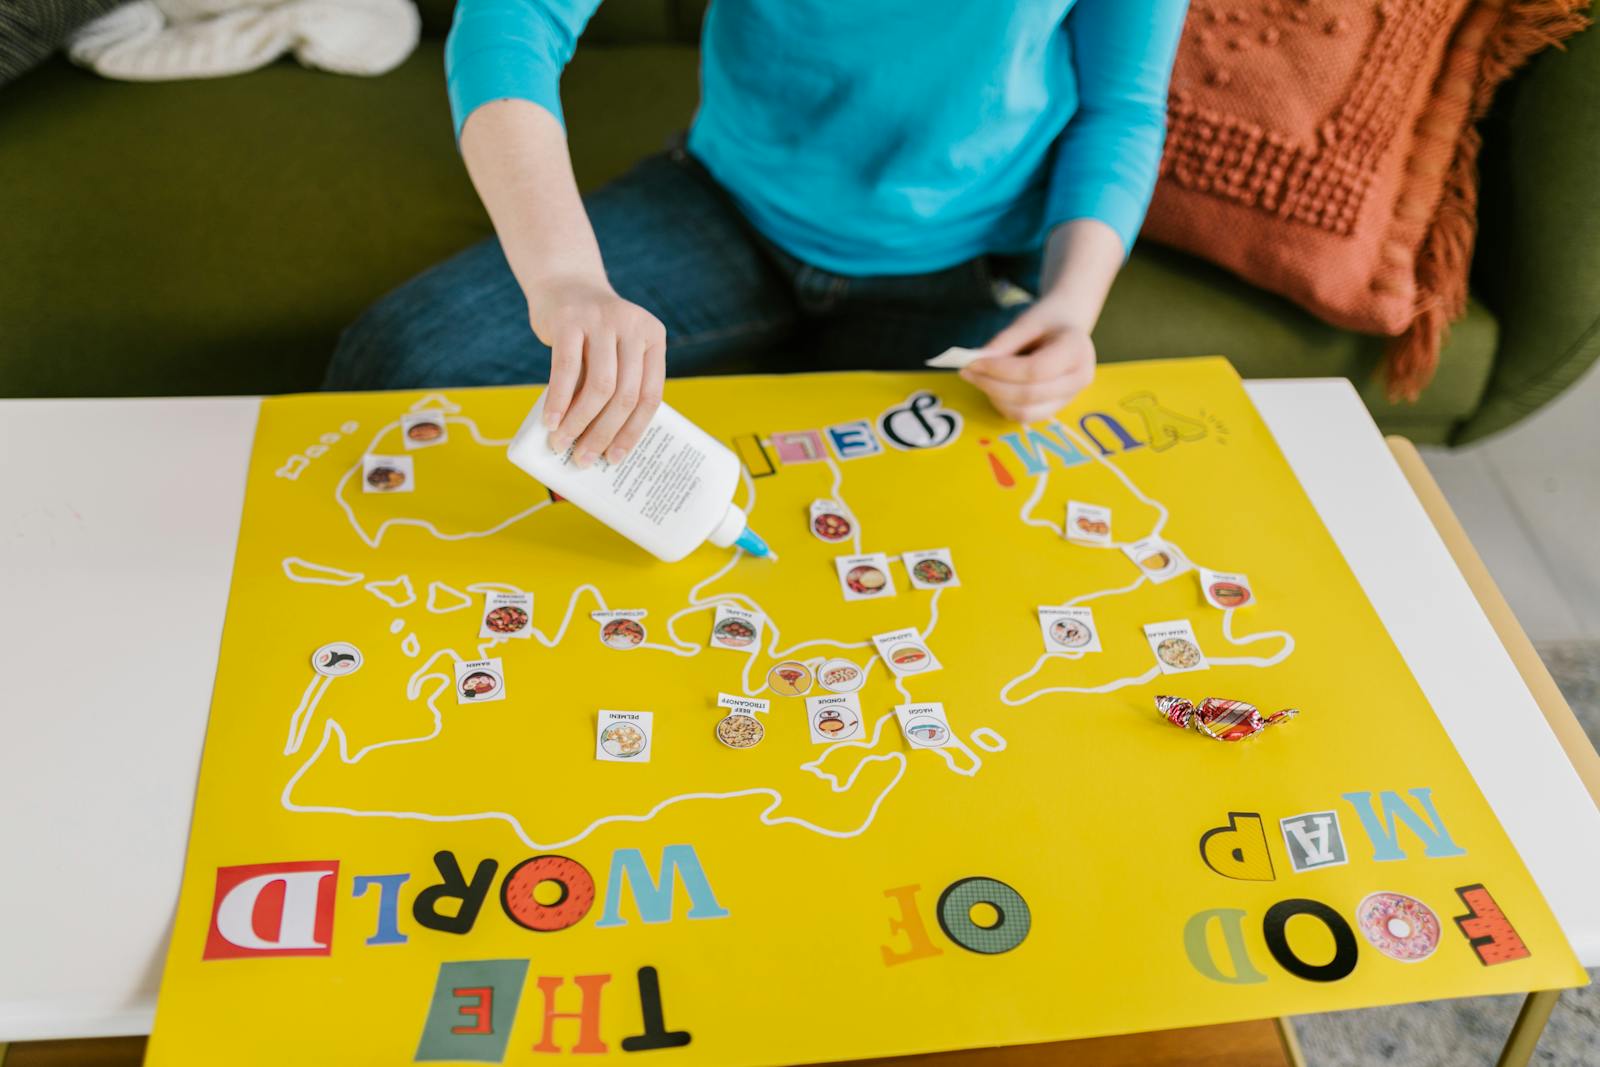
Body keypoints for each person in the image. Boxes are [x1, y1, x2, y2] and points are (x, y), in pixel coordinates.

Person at [326, 0, 1188, 470]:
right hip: (724, 203)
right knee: (394, 363)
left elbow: (1122, 107)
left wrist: (1072, 304)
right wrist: (566, 278)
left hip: (960, 269)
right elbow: (510, 22)